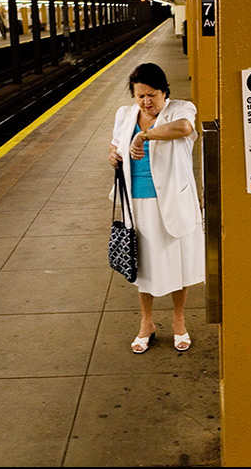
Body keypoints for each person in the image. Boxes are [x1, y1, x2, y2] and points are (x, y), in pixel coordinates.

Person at [108, 63, 205, 354]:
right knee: (144, 265)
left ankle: (178, 321)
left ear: (165, 92)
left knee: (178, 263)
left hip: (173, 199)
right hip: (137, 201)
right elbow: (114, 146)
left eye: (152, 95)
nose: (146, 102)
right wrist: (114, 155)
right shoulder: (125, 115)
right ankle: (146, 323)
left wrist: (144, 135)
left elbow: (184, 129)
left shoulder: (181, 109)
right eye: (140, 96)